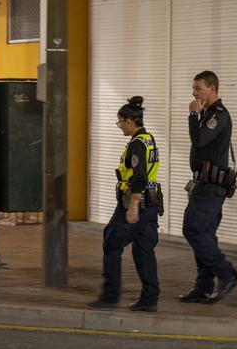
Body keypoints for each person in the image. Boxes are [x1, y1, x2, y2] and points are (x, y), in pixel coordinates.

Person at [88, 96, 162, 312]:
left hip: (135, 202)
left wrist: (132, 206)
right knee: (143, 250)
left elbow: (138, 176)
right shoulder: (149, 138)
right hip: (151, 203)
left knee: (111, 244)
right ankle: (149, 298)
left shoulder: (136, 145)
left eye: (120, 122)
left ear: (130, 120)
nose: (120, 126)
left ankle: (110, 296)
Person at [179, 70, 237, 304]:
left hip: (211, 186)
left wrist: (192, 115)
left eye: (198, 88)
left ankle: (228, 274)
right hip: (204, 184)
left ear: (212, 89)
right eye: (194, 88)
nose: (194, 93)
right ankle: (203, 286)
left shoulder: (218, 114)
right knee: (204, 234)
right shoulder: (207, 114)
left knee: (193, 230)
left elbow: (199, 140)